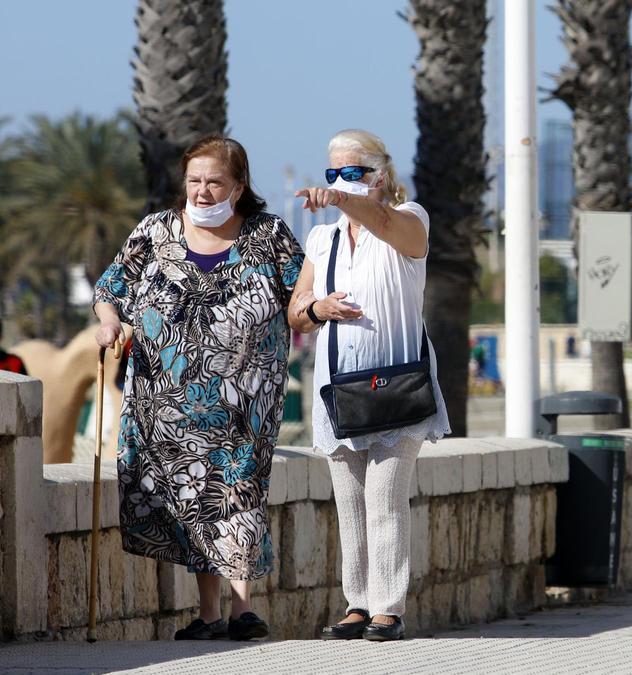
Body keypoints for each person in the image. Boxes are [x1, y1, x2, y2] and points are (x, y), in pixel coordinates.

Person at [93, 136, 304, 640]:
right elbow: (110, 289)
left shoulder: (267, 234)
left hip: (245, 400)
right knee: (194, 501)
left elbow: (303, 293)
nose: (203, 191)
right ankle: (210, 614)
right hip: (167, 403)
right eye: (194, 181)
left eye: (215, 182)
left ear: (239, 185)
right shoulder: (155, 231)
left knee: (237, 493)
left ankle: (241, 609)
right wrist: (109, 325)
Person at [288, 129, 450, 642]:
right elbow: (296, 310)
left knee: (384, 498)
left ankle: (388, 607)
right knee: (350, 505)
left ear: (379, 175)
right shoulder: (322, 238)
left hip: (400, 387)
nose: (339, 183)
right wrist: (319, 309)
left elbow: (382, 221)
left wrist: (340, 199)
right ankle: (357, 602)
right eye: (332, 174)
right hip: (341, 391)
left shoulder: (411, 219)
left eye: (352, 173)